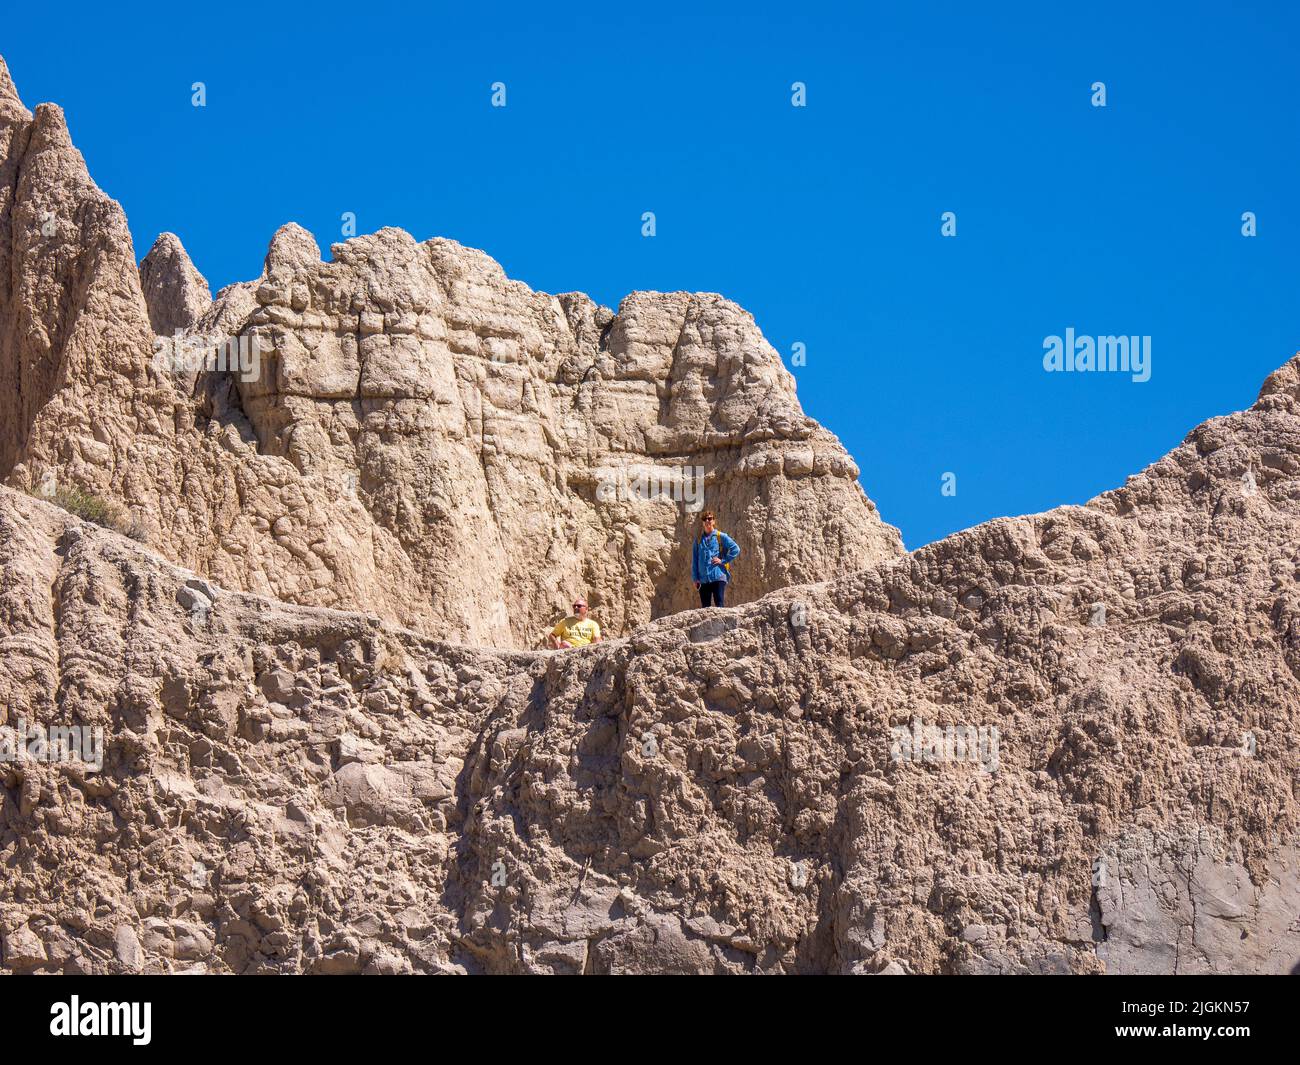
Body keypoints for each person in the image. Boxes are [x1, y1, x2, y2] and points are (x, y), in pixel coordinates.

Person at [692, 511, 740, 608]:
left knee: (719, 605)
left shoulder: (720, 536)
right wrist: (695, 578)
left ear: (713, 521)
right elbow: (695, 559)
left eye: (710, 518)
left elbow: (736, 549)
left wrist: (723, 561)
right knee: (705, 608)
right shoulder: (698, 540)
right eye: (705, 519)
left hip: (718, 576)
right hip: (703, 579)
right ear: (702, 522)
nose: (707, 521)